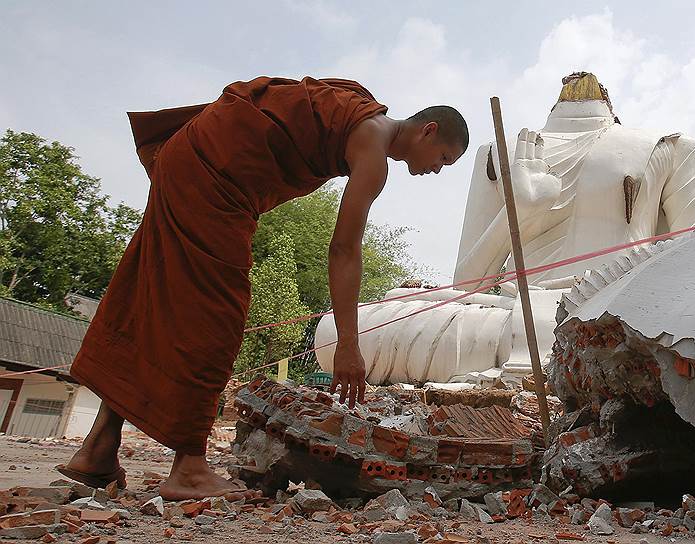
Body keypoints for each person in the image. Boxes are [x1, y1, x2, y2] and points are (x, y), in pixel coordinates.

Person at [57, 76, 468, 500]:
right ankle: (190, 468)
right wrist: (348, 343)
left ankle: (98, 449)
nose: (436, 170)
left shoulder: (359, 109)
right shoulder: (373, 150)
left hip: (190, 153)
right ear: (428, 130)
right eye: (443, 159)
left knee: (154, 300)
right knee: (217, 314)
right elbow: (344, 250)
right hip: (214, 178)